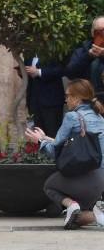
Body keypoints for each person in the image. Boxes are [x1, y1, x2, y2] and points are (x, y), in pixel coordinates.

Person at [25, 79, 104, 230]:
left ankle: (71, 204)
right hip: (101, 179)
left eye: (68, 96)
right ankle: (97, 216)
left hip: (86, 178)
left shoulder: (72, 117)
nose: (65, 99)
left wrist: (38, 142)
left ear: (77, 98)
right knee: (75, 220)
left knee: (49, 185)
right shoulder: (100, 118)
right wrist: (45, 138)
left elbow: (57, 152)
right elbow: (78, 147)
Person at [24, 55, 67, 142]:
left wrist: (39, 72)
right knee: (37, 133)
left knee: (52, 133)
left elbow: (61, 69)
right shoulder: (29, 52)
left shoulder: (54, 50)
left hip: (52, 100)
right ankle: (40, 154)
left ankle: (52, 155)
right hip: (34, 100)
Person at [65, 16, 104, 104]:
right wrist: (88, 56)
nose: (102, 34)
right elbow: (70, 72)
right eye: (99, 31)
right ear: (92, 33)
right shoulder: (83, 50)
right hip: (89, 105)